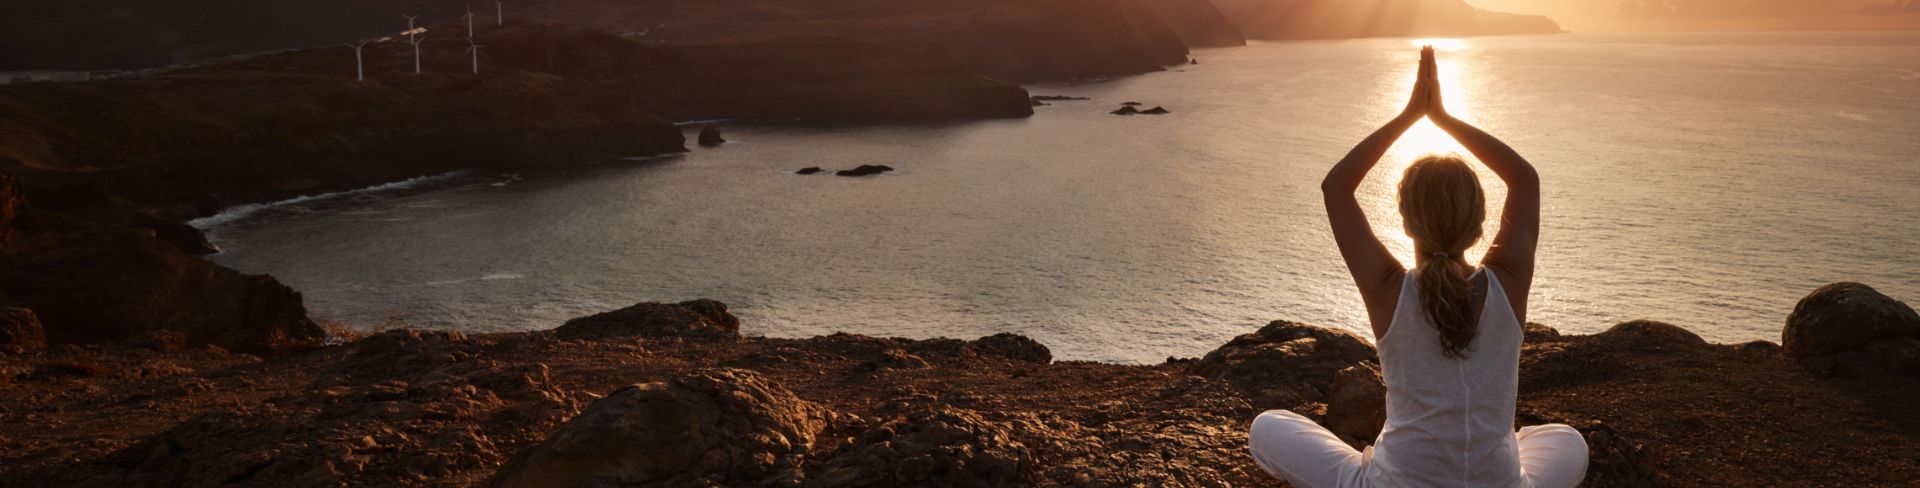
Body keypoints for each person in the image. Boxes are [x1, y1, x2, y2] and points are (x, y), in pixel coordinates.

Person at [1246, 47, 1589, 488]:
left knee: (1267, 427)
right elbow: (1525, 179)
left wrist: (1412, 113)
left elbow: (1336, 188)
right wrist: (1443, 117)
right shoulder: (1508, 282)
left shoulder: (1390, 288)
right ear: (1480, 222)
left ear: (1405, 222)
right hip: (1500, 483)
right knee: (1568, 440)